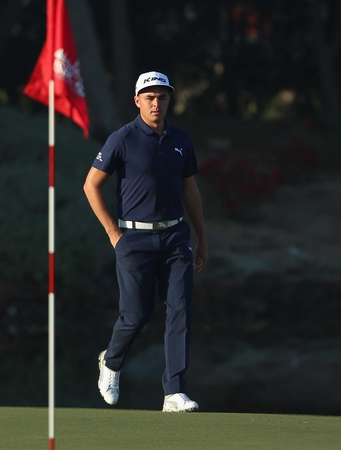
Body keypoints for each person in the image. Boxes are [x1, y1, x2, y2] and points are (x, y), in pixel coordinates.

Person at [83, 71, 208, 412]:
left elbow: (190, 190)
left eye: (162, 97)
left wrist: (201, 238)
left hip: (175, 237)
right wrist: (113, 233)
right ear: (137, 101)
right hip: (133, 237)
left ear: (169, 101)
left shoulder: (181, 139)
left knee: (180, 310)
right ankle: (111, 362)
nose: (156, 103)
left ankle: (174, 392)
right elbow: (91, 185)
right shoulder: (122, 138)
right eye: (150, 97)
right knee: (136, 314)